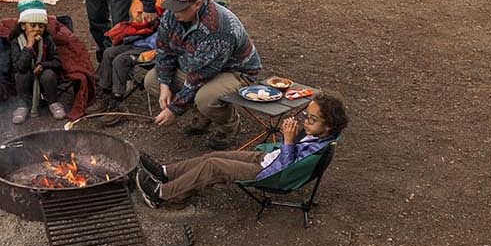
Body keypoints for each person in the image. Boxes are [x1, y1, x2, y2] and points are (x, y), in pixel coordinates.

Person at [134, 93, 349, 207]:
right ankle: (165, 172)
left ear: (329, 125)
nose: (305, 122)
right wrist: (292, 139)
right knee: (215, 155)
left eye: (311, 119)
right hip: (268, 158)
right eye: (306, 116)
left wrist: (289, 139)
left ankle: (162, 194)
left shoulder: (316, 148)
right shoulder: (322, 133)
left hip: (270, 173)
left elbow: (287, 168)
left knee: (213, 166)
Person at [145, 0, 262, 150]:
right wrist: (164, 84)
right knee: (152, 81)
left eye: (181, 9)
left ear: (197, 4)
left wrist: (174, 110)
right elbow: (164, 49)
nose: (175, 13)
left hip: (234, 71)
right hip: (195, 65)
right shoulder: (173, 14)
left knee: (205, 98)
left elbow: (199, 77)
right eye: (173, 6)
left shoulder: (218, 29)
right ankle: (203, 115)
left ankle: (229, 126)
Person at [9, 0, 68, 124]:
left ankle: (53, 102)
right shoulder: (16, 41)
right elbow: (18, 66)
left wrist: (42, 65)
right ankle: (23, 105)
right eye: (33, 25)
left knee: (48, 75)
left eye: (40, 26)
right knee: (21, 75)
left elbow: (57, 62)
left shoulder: (47, 40)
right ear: (24, 26)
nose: (37, 29)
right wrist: (29, 46)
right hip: (26, 75)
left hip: (43, 75)